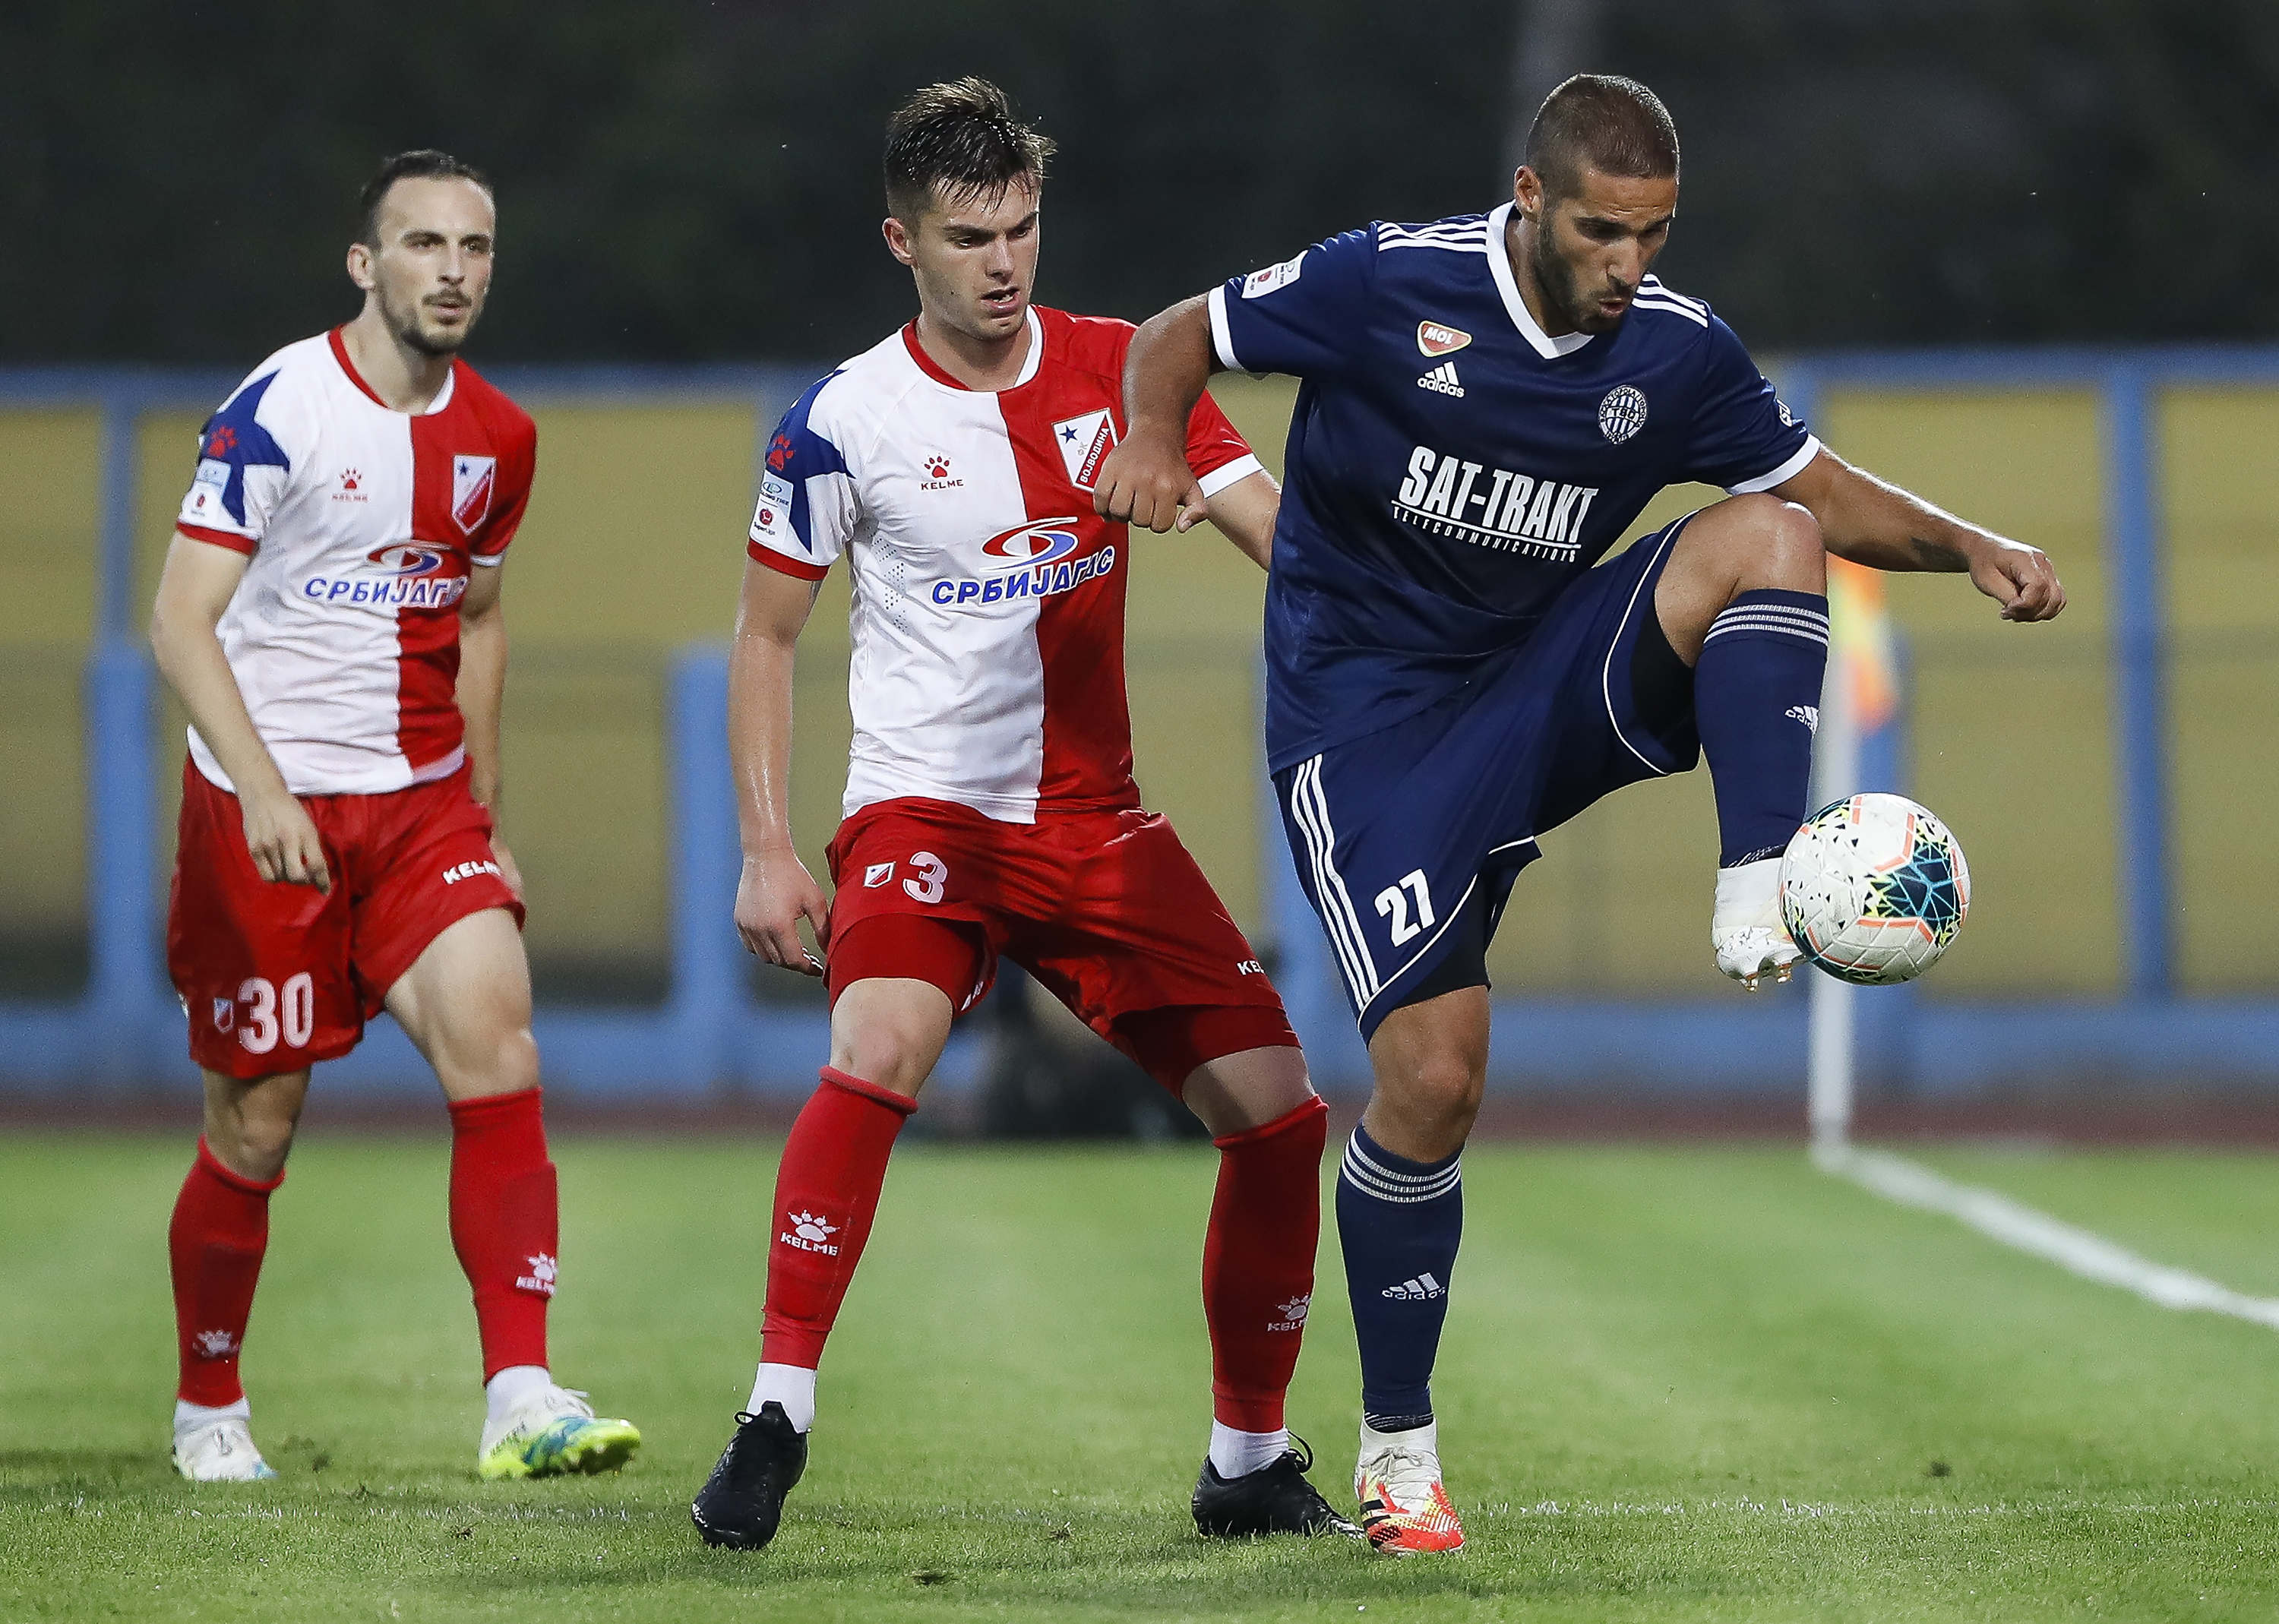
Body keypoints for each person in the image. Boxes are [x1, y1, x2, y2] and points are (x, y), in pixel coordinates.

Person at [1097, 74, 2065, 1553]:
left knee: (1772, 533)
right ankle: (1399, 1453)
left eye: (1655, 235)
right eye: (1605, 232)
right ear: (1532, 198)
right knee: (1436, 1077)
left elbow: (1817, 486)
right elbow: (1177, 336)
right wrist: (1155, 439)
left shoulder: (1675, 352)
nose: (1630, 265)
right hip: (1367, 728)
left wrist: (1970, 543)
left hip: (1536, 682)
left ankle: (1761, 870)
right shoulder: (1388, 283)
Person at [689, 78, 1353, 1552]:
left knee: (1281, 1114)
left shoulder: (1130, 372)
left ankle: (1247, 1460)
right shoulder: (841, 422)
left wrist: (1389, 597)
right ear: (902, 242)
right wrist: (768, 848)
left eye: (1023, 229)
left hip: (1095, 826)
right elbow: (765, 637)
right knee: (879, 1048)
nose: (1005, 262)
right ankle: (775, 1412)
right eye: (970, 236)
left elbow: (1286, 539)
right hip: (925, 816)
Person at [149, 150, 640, 1483]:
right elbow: (180, 619)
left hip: (420, 806)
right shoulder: (281, 409)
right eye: (425, 244)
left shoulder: (500, 439)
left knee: (501, 1042)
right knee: (256, 1124)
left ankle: (521, 1393)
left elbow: (477, 618)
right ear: (366, 264)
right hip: (266, 809)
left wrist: (484, 809)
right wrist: (261, 788)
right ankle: (208, 1405)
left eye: (475, 248)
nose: (454, 270)